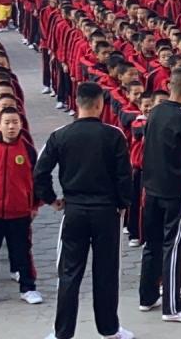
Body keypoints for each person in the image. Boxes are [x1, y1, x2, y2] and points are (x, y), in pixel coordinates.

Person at [33, 81, 134, 339]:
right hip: (106, 212)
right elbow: (125, 176)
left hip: (74, 210)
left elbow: (40, 172)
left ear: (77, 102)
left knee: (68, 273)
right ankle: (109, 329)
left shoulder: (60, 135)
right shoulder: (114, 135)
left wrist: (51, 199)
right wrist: (123, 204)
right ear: (100, 104)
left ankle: (62, 333)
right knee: (107, 272)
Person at [137, 67, 181, 323]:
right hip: (175, 189)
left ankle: (147, 296)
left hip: (151, 187)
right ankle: (172, 306)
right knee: (174, 246)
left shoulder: (155, 111)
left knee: (152, 244)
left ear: (169, 86)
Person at [0, 107, 42, 307]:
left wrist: (34, 205)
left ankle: (28, 288)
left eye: (15, 122)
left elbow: (37, 180)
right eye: (7, 122)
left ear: (21, 125)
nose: (11, 126)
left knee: (22, 251)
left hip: (20, 211)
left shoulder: (28, 150)